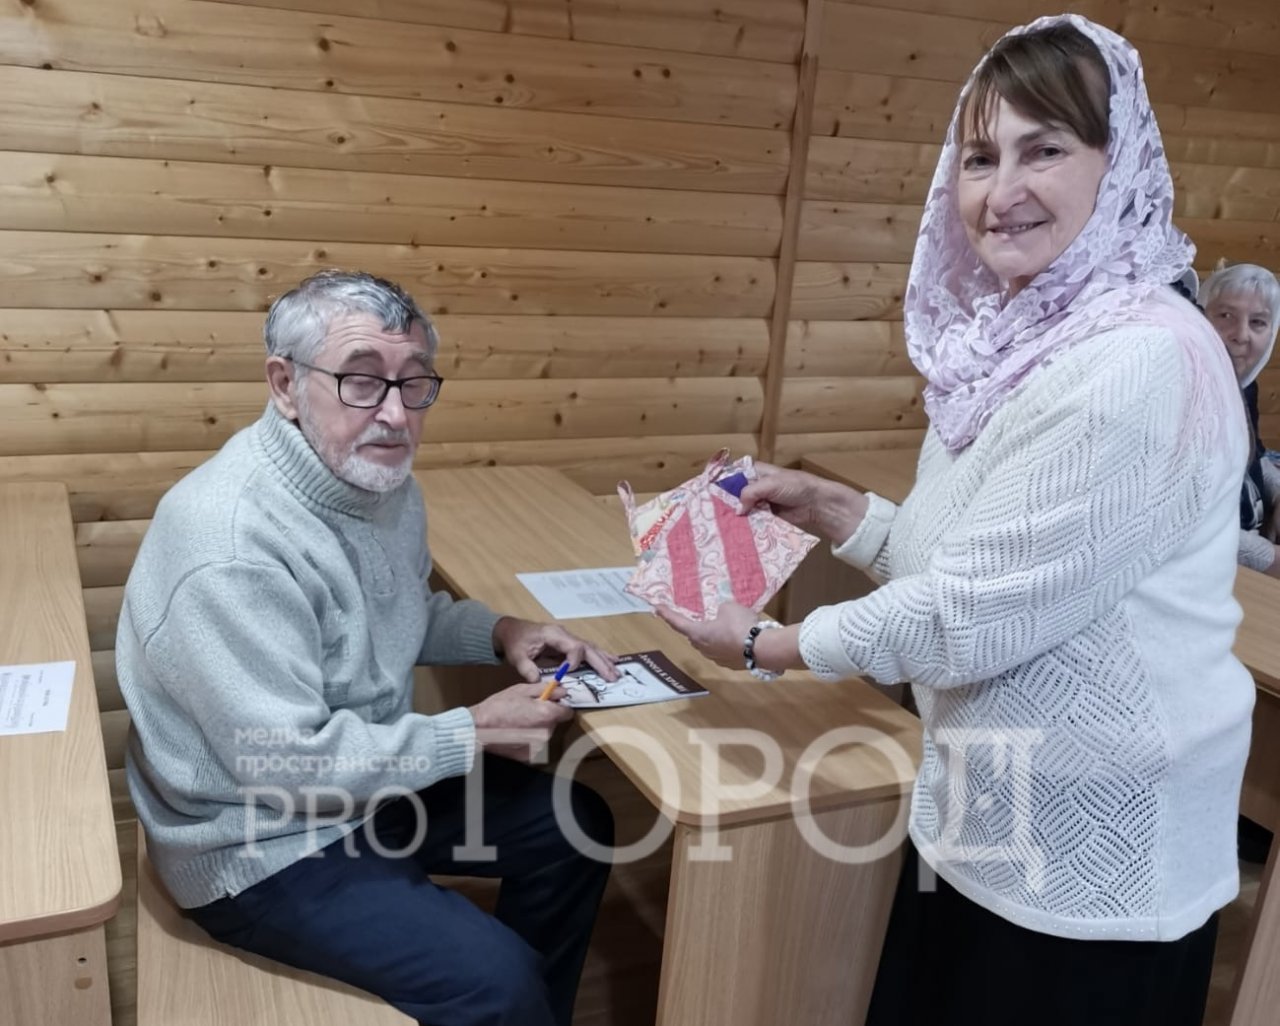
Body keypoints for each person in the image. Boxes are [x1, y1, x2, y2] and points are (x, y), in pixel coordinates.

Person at [658, 15, 1252, 1026]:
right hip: (982, 809)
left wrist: (767, 644)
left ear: (1116, 165)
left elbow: (966, 614)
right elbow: (965, 556)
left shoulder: (1139, 359)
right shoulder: (1021, 338)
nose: (999, 190)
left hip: (1083, 866)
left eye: (1044, 149)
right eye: (979, 157)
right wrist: (838, 511)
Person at [118, 270, 618, 1026]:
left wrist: (500, 633)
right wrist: (471, 732)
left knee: (576, 829)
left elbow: (390, 613)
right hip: (256, 837)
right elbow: (283, 763)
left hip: (362, 783)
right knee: (499, 982)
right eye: (360, 381)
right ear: (285, 386)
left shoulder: (379, 483)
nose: (394, 414)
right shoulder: (228, 543)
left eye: (414, 383)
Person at [1201, 261, 1280, 576]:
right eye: (1225, 316)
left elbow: (1255, 455)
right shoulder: (1180, 398)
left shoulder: (1243, 387)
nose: (1241, 335)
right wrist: (1268, 558)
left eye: (1258, 322)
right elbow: (1183, 522)